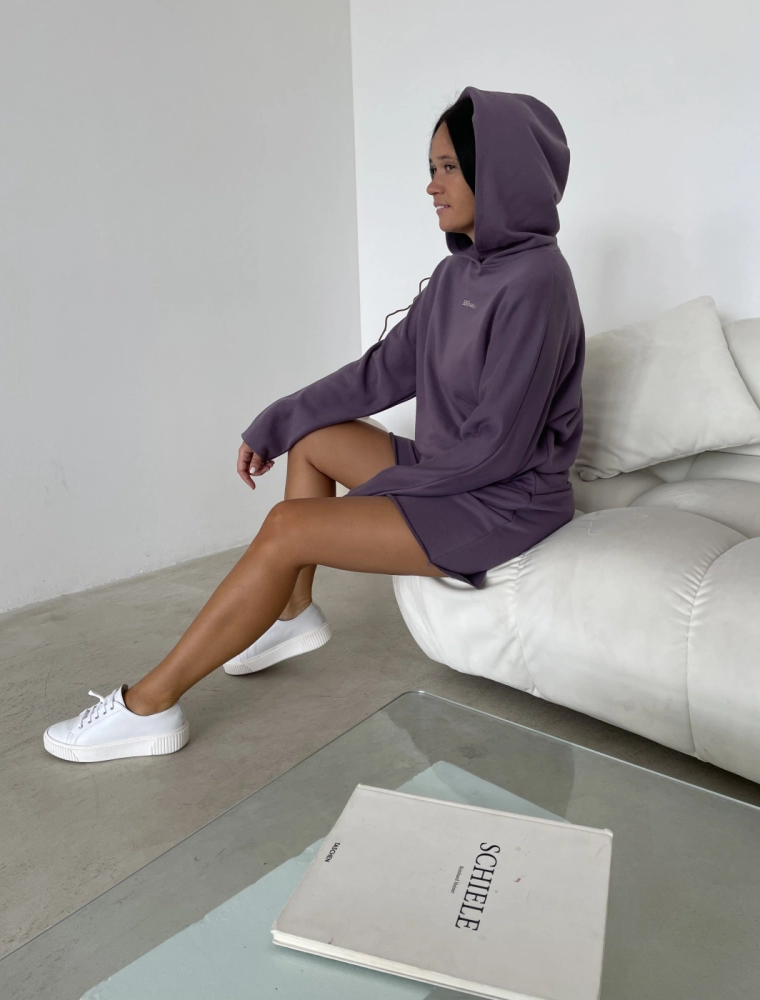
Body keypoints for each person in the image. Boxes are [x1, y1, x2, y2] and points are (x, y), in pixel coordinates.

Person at [43, 86, 586, 763]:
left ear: (496, 171)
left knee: (289, 527)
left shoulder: (537, 281)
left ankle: (149, 705)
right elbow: (381, 372)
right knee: (315, 439)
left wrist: (378, 501)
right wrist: (275, 421)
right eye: (431, 168)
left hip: (504, 500)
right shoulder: (456, 276)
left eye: (448, 167)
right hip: (455, 473)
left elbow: (498, 446)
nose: (431, 185)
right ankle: (291, 612)